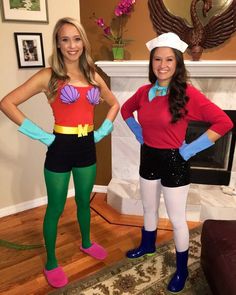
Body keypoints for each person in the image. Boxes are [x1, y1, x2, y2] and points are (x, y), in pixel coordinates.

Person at [0, 17, 119, 288]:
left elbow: (114, 103)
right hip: (60, 148)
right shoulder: (48, 75)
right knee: (55, 208)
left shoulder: (91, 73)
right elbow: (7, 103)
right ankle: (52, 261)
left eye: (76, 39)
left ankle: (87, 242)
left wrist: (100, 132)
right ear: (57, 43)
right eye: (65, 39)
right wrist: (43, 136)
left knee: (82, 202)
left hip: (87, 145)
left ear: (83, 43)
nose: (72, 45)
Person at [121, 32, 233, 293]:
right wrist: (139, 134)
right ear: (151, 63)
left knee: (177, 219)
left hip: (175, 160)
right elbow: (126, 111)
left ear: (177, 63)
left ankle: (181, 269)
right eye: (157, 59)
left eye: (169, 59)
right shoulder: (143, 92)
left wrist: (190, 150)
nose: (162, 65)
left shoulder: (188, 94)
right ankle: (148, 245)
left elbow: (224, 123)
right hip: (148, 156)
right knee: (148, 209)